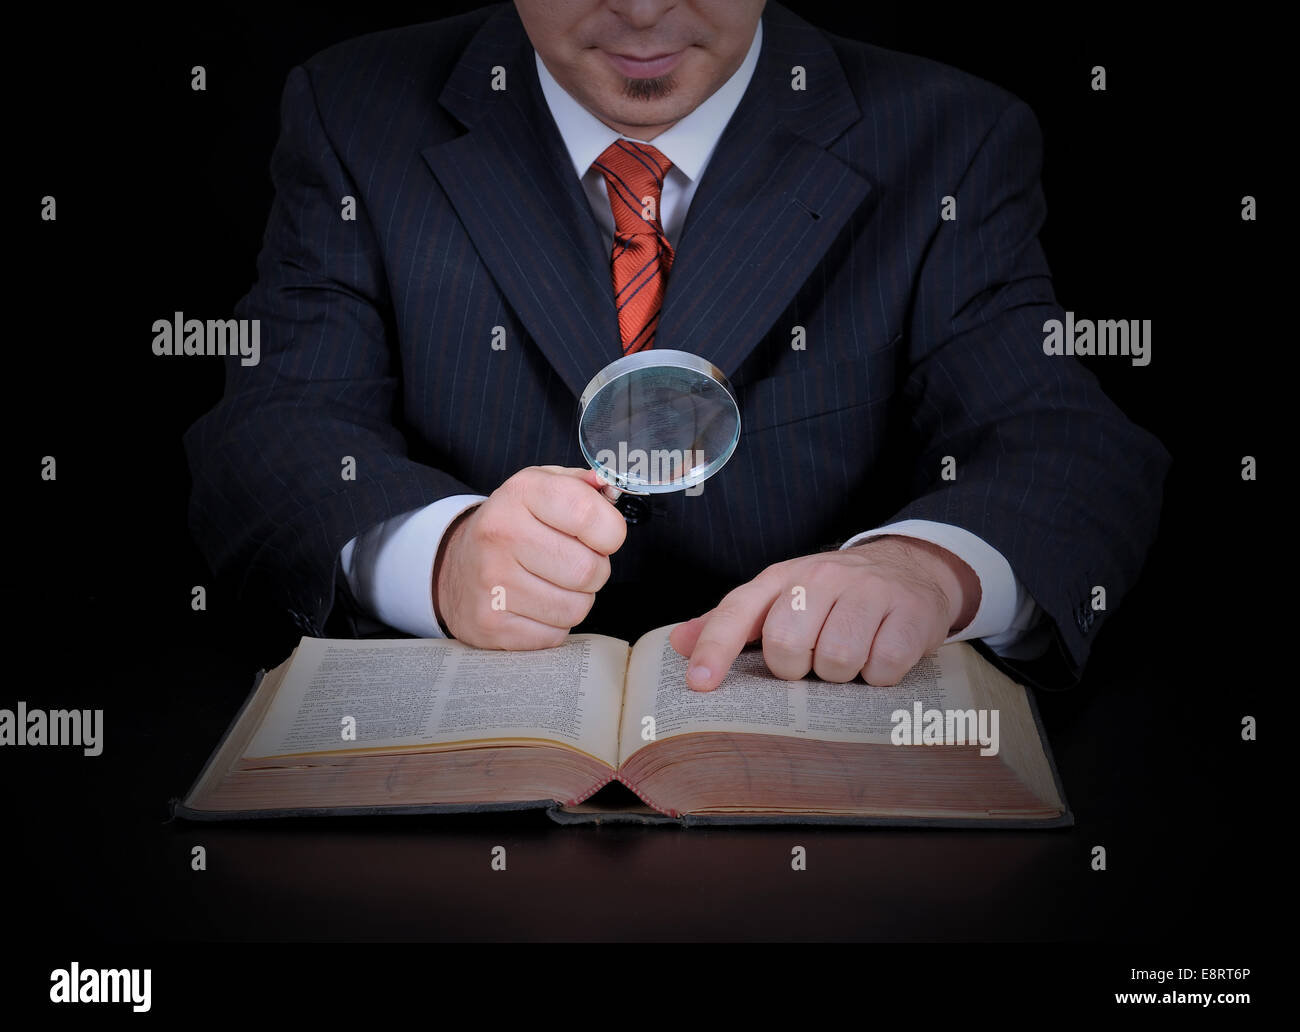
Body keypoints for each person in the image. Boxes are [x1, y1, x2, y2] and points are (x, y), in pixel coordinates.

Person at [184, 0, 1169, 692]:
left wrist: (924, 571)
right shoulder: (353, 113)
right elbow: (272, 431)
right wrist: (439, 556)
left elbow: (1061, 443)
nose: (644, 12)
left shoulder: (952, 138)